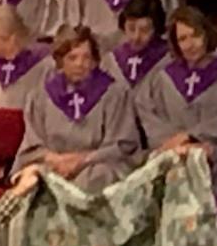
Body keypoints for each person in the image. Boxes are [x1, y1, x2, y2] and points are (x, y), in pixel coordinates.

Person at [139, 5, 217, 210]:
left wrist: (191, 137)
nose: (190, 45)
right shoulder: (161, 78)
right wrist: (178, 145)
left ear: (206, 35)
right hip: (171, 153)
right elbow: (149, 115)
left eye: (195, 36)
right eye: (182, 39)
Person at [11, 24, 140, 192]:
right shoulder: (40, 97)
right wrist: (56, 160)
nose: (80, 64)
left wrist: (82, 160)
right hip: (53, 166)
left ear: (95, 61)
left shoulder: (114, 94)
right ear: (60, 61)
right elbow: (32, 146)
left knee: (97, 177)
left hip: (97, 166)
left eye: (86, 57)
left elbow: (122, 145)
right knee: (33, 179)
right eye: (72, 58)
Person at [101, 0, 169, 111]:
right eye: (131, 28)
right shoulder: (111, 62)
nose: (136, 36)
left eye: (145, 30)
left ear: (157, 29)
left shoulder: (169, 59)